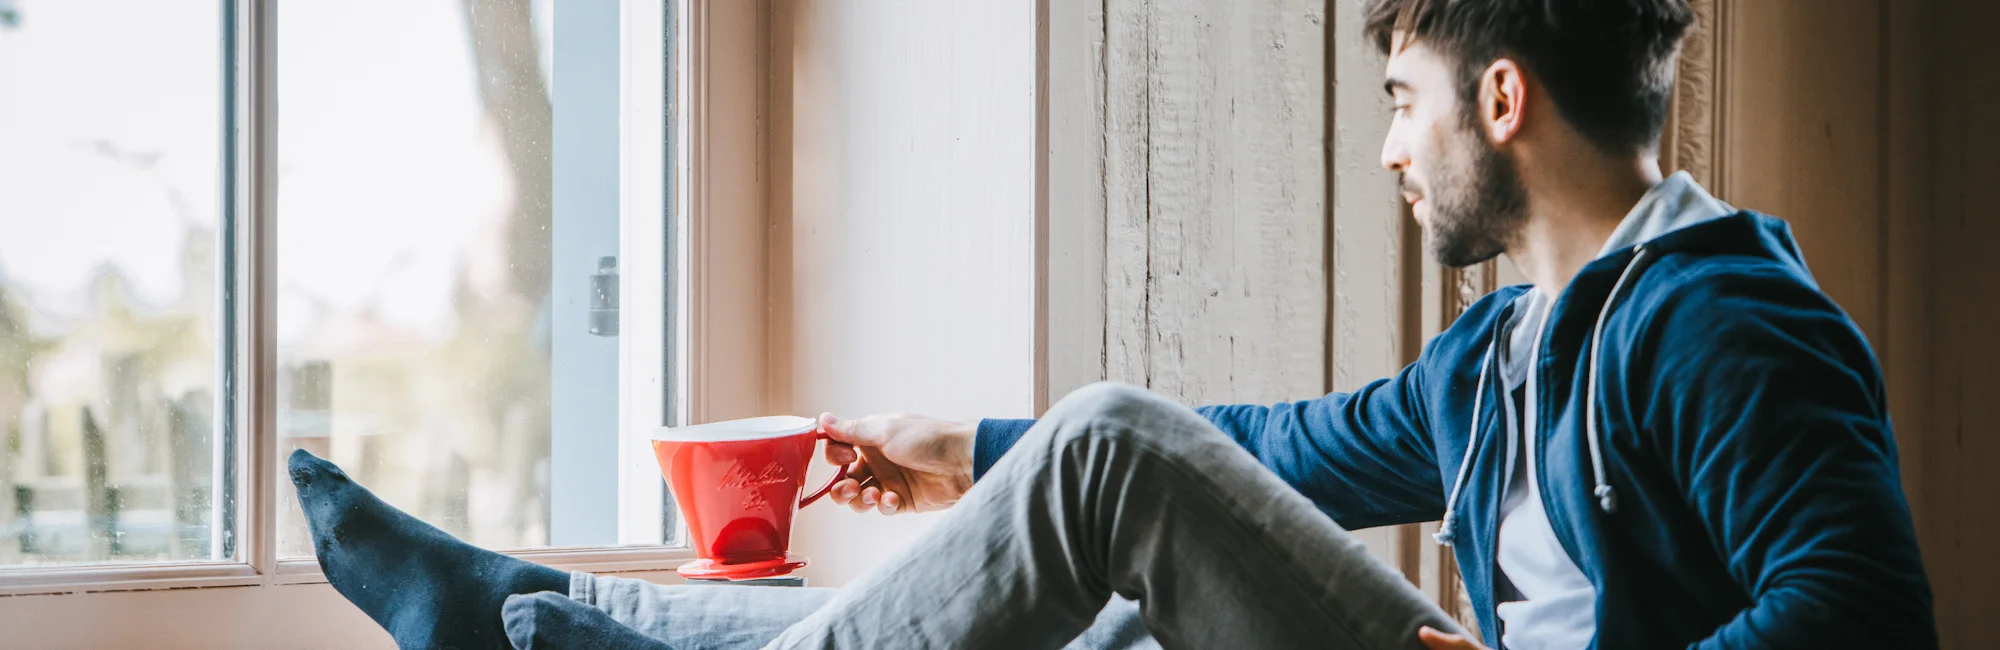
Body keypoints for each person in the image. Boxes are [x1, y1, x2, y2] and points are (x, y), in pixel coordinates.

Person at [287, 0, 1937, 647]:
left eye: (1400, 101)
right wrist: (968, 462)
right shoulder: (1509, 350)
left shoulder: (1721, 321)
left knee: (1113, 442)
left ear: (1500, 99)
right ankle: (545, 602)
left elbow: (1861, 610)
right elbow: (1288, 455)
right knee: (1107, 627)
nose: (1387, 147)